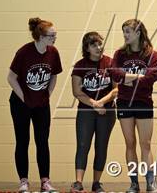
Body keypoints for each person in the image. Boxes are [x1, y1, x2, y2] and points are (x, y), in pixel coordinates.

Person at [7, 17, 62, 193]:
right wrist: (25, 98)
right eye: (52, 35)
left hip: (41, 103)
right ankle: (23, 181)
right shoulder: (24, 52)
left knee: (42, 141)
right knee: (23, 141)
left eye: (55, 35)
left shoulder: (53, 52)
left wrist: (48, 94)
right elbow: (11, 78)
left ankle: (45, 181)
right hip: (20, 102)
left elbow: (53, 76)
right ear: (40, 36)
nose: (55, 38)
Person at [110, 19, 157, 193]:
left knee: (145, 144)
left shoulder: (151, 54)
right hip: (124, 102)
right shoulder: (120, 53)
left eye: (128, 31)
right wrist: (136, 77)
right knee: (130, 143)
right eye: (123, 31)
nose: (125, 35)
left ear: (138, 33)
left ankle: (151, 183)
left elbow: (150, 78)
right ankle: (134, 183)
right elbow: (114, 73)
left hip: (143, 102)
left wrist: (128, 79)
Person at [70, 32, 117, 193]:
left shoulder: (110, 63)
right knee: (83, 145)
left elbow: (117, 88)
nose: (98, 47)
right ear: (87, 48)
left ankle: (97, 183)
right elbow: (77, 91)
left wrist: (102, 102)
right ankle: (78, 182)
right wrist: (94, 104)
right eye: (94, 45)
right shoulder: (80, 65)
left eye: (100, 44)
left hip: (107, 111)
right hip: (86, 111)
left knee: (101, 146)